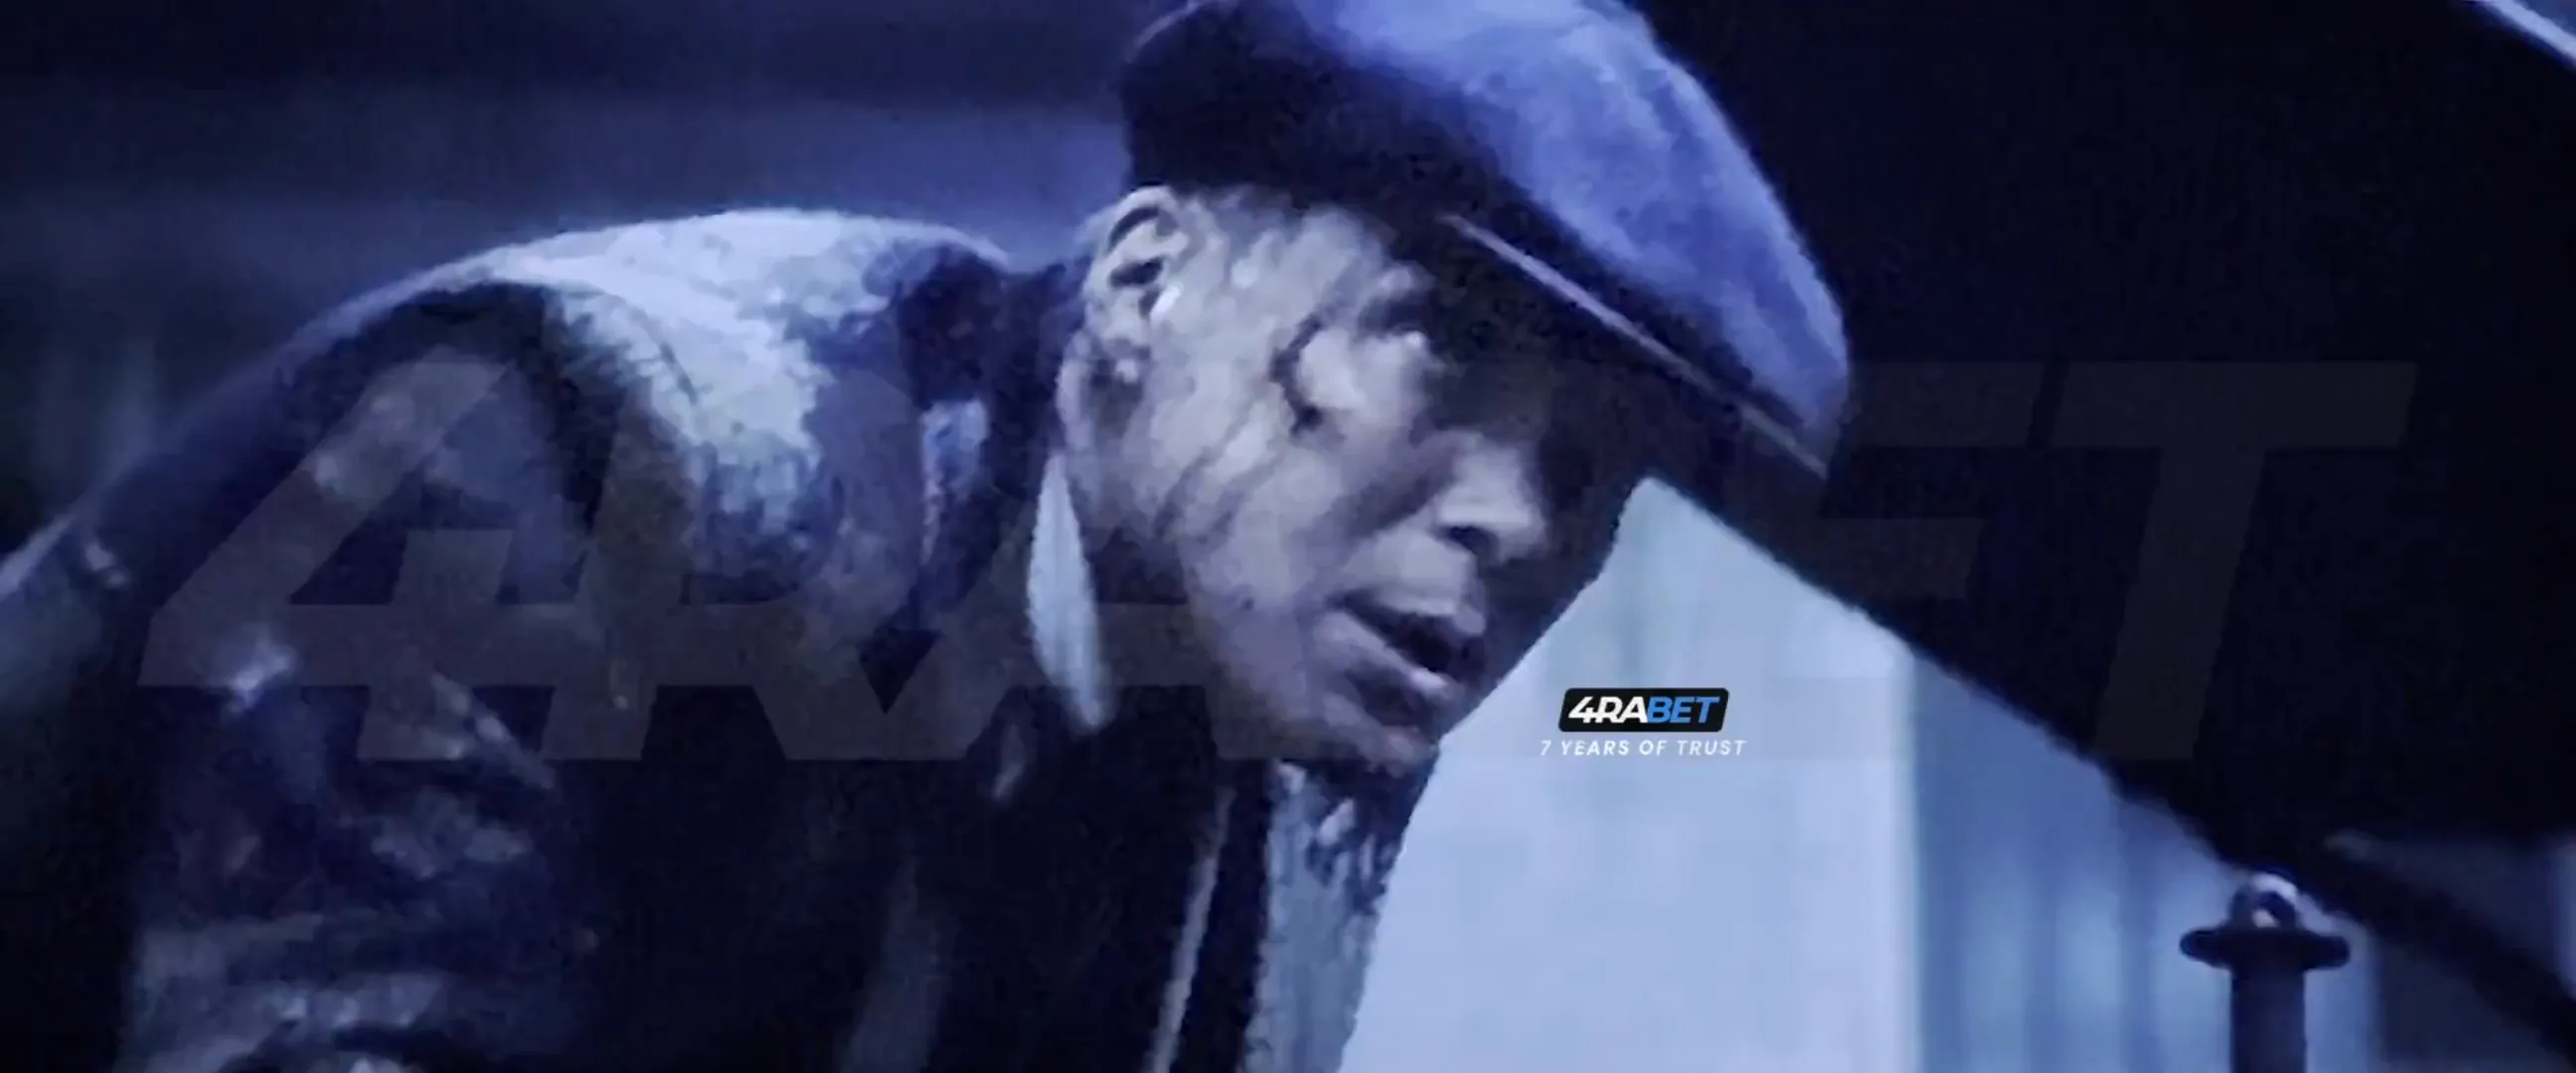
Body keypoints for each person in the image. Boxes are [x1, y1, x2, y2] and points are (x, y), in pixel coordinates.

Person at [0, 0, 1849, 1070]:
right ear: (1145, 285)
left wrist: (1699, 725)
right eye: (1438, 352)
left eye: (1591, 472)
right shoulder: (584, 448)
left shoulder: (1280, 711)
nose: (1512, 518)